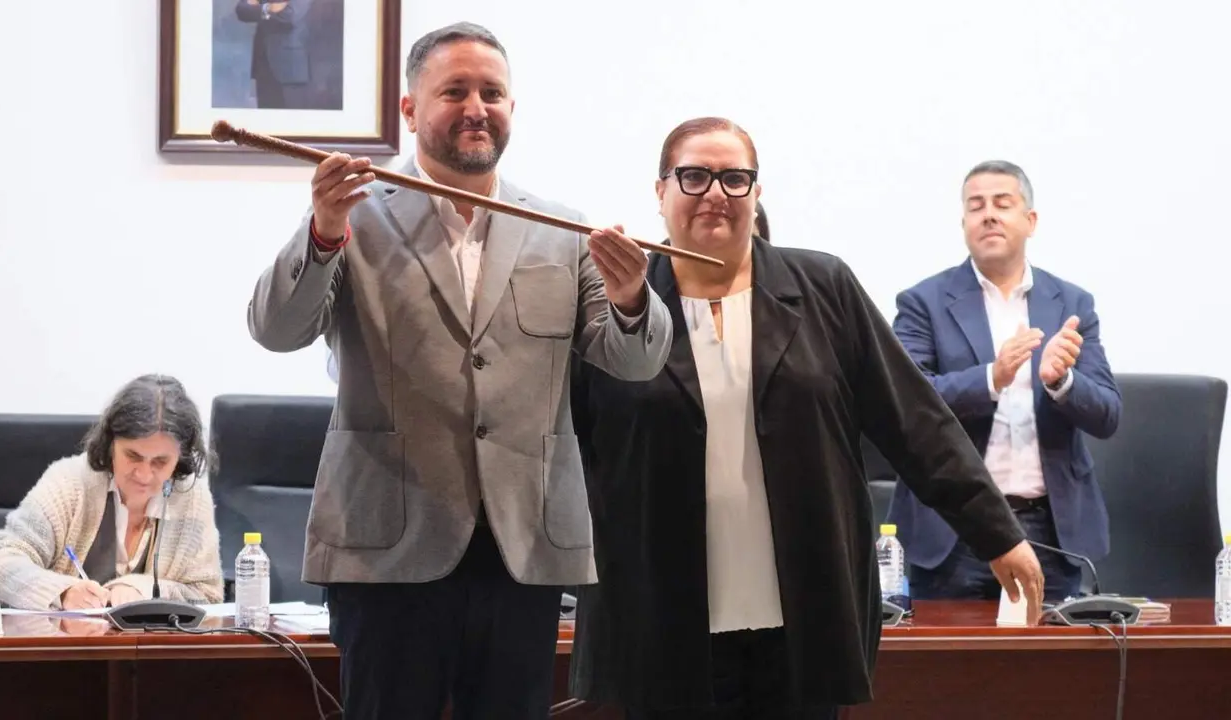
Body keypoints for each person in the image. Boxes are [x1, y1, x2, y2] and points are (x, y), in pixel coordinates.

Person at [245, 21, 672, 720]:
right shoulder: (354, 215)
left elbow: (635, 359)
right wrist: (321, 231)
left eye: (492, 93)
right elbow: (276, 330)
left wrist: (631, 298)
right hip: (386, 546)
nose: (477, 108)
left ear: (512, 108)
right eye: (455, 92)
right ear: (410, 110)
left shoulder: (562, 229)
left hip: (523, 547)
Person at [567, 117, 1044, 720]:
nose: (715, 193)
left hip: (803, 617)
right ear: (660, 192)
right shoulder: (612, 303)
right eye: (693, 176)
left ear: (757, 193)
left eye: (734, 178)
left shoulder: (823, 287)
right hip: (659, 619)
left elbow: (916, 422)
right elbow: (564, 441)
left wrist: (997, 533)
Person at [889, 160, 1121, 603]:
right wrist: (991, 379)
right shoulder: (923, 303)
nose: (989, 215)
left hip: (1049, 530)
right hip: (955, 525)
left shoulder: (1072, 303)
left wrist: (1062, 382)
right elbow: (905, 402)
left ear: (1030, 220)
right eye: (976, 206)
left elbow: (1108, 414)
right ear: (963, 223)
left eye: (1002, 203)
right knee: (946, 650)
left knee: (1049, 650)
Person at [0, 375, 224, 611]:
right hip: (65, 639)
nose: (144, 474)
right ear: (110, 444)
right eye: (133, 456)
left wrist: (145, 589)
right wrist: (62, 591)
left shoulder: (192, 498)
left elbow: (209, 595)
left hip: (152, 642)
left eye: (160, 462)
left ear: (180, 458)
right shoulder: (69, 483)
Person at [235, 0, 314, 109]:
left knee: (291, 117)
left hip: (290, 69)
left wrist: (259, 7)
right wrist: (268, 8)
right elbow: (242, 10)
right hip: (263, 65)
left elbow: (288, 15)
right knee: (266, 117)